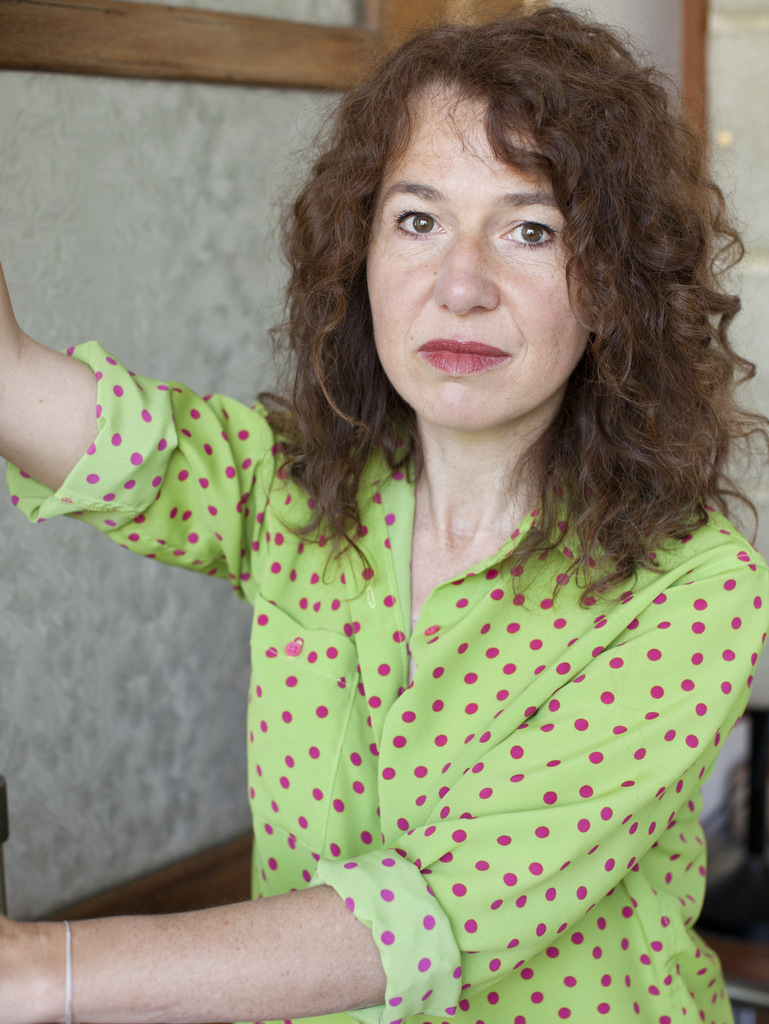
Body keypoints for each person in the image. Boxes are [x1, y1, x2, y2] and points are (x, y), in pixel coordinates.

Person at [1, 5, 767, 1024]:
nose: (461, 284)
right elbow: (69, 416)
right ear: (358, 253)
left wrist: (40, 969)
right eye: (417, 220)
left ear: (615, 284)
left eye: (530, 229)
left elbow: (429, 912)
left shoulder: (692, 590)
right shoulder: (296, 489)